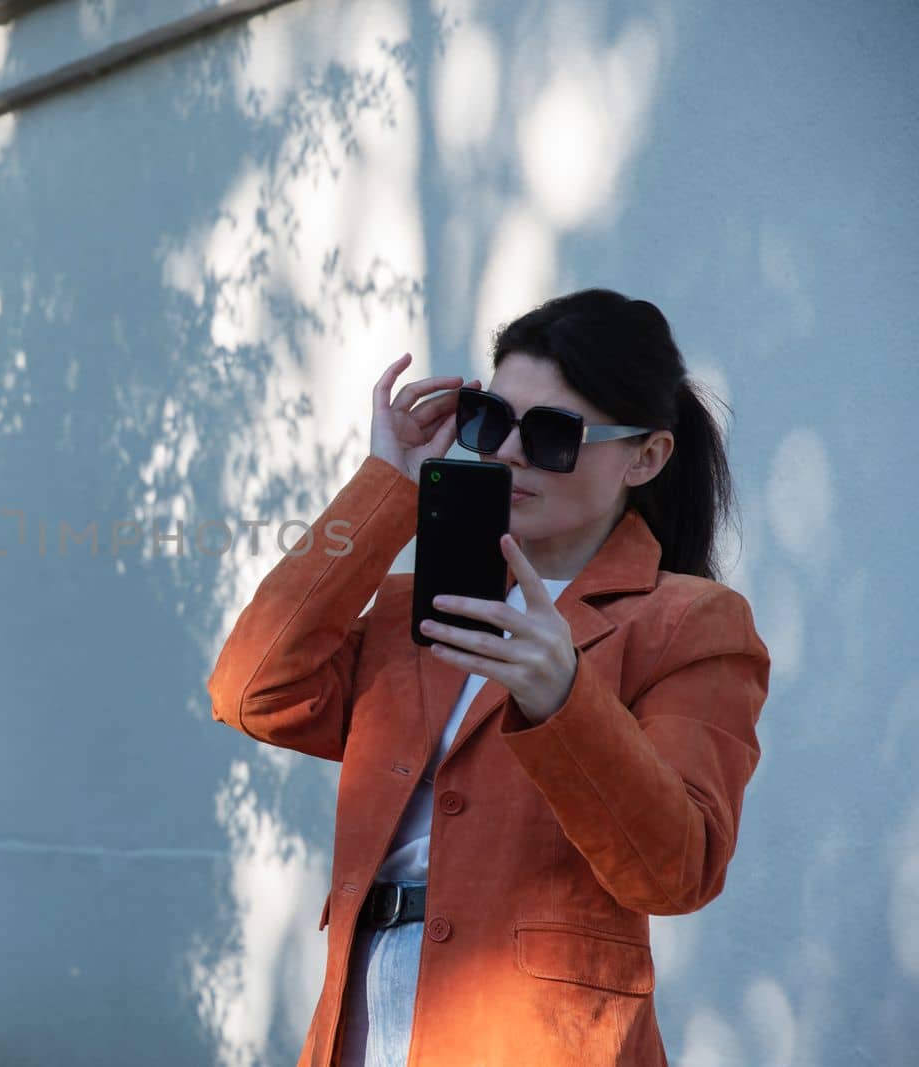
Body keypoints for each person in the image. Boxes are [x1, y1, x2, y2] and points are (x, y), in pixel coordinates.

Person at [205, 288, 770, 1066]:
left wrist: (567, 702)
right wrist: (387, 485)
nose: (506, 451)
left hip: (536, 1034)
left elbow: (676, 870)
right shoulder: (420, 604)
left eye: (550, 433)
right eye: (491, 419)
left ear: (646, 456)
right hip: (363, 1012)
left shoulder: (690, 622)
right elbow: (252, 691)